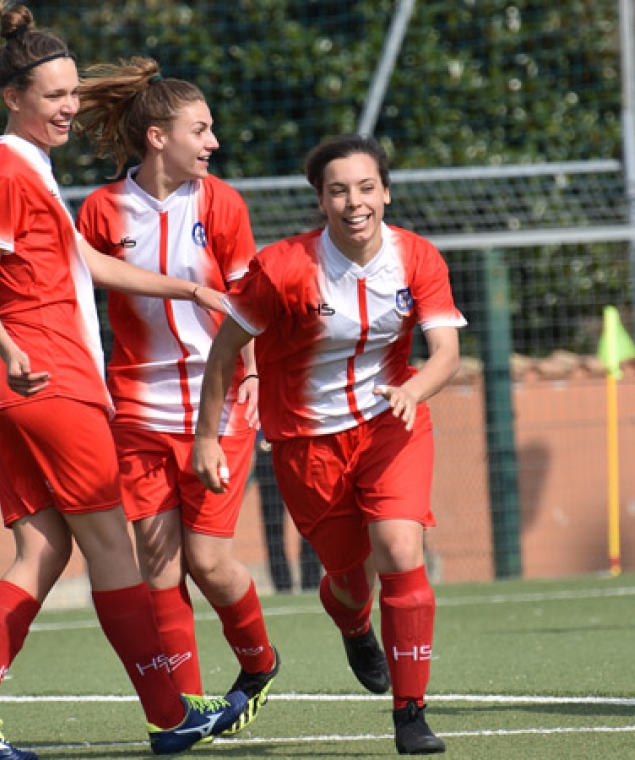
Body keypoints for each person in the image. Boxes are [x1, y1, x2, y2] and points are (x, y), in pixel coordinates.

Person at [0, 6, 246, 760]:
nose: (70, 106)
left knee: (40, 554)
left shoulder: (30, 168)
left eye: (73, 92)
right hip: (47, 383)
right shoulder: (8, 171)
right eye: (53, 95)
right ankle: (172, 717)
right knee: (114, 548)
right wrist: (12, 348)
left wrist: (189, 290)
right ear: (15, 97)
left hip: (10, 394)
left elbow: (87, 266)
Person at [192, 134, 466, 754]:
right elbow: (226, 349)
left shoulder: (418, 258)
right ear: (321, 200)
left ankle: (411, 713)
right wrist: (208, 435)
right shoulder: (284, 266)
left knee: (399, 547)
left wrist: (413, 391)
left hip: (393, 426)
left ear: (386, 193)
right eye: (338, 190)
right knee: (349, 578)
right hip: (307, 442)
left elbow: (446, 351)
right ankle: (353, 621)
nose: (354, 202)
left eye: (366, 187)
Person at [73, 56, 279, 734]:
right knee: (159, 570)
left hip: (215, 403)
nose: (213, 142)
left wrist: (249, 373)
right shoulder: (102, 210)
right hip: (137, 406)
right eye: (202, 128)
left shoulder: (222, 202)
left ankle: (257, 661)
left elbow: (247, 301)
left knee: (210, 561)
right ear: (159, 137)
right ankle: (191, 716)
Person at [255, 432, 322, 593]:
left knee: (311, 519)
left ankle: (311, 583)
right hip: (268, 450)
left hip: (302, 449)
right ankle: (282, 586)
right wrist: (257, 439)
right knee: (272, 524)